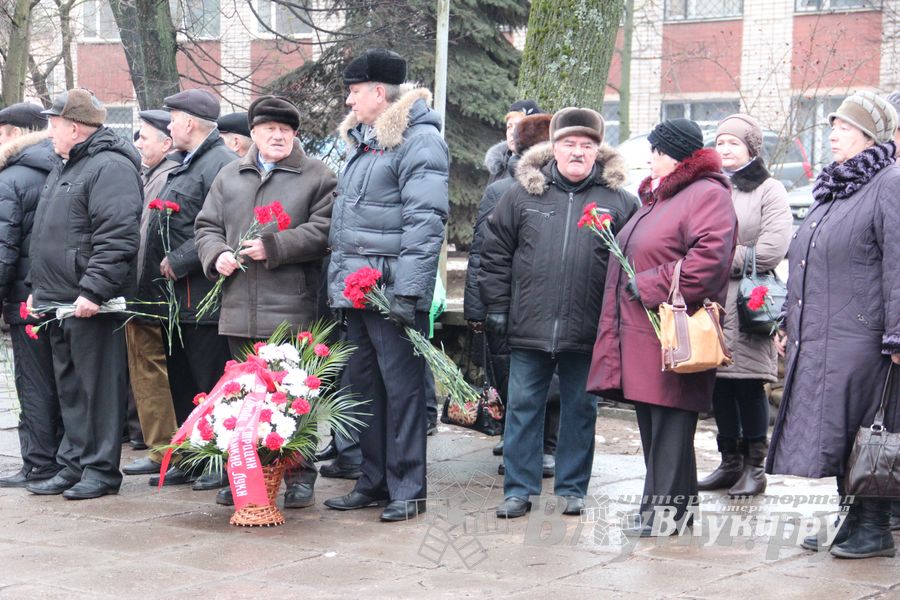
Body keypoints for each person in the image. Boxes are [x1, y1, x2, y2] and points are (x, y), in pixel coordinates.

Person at [480, 108, 639, 519]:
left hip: (588, 327)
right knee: (522, 408)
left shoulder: (619, 201)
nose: (577, 153)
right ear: (554, 148)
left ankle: (572, 488)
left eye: (587, 146)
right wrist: (496, 306)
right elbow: (495, 253)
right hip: (529, 322)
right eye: (569, 144)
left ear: (597, 152)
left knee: (581, 410)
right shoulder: (521, 194)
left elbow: (633, 263)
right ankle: (518, 488)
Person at [588, 118, 738, 536]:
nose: (650, 157)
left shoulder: (706, 194)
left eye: (656, 150)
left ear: (674, 154)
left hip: (673, 331)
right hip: (647, 333)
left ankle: (662, 516)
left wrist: (650, 284)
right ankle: (678, 510)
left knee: (670, 423)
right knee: (659, 423)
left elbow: (708, 260)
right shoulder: (665, 196)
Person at [767, 91, 900, 559]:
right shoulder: (838, 187)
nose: (833, 133)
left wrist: (898, 332)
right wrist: (787, 319)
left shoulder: (890, 182)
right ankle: (853, 517)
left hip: (866, 337)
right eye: (833, 126)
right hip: (826, 333)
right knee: (842, 433)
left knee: (872, 433)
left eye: (844, 126)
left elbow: (899, 262)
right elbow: (806, 261)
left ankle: (875, 527)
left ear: (869, 135)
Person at [323, 48, 449, 522]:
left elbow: (425, 220)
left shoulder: (418, 141)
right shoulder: (367, 141)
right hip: (358, 292)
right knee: (365, 390)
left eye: (355, 92)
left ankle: (407, 489)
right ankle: (373, 481)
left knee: (403, 393)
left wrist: (408, 293)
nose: (350, 102)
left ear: (379, 92)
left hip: (392, 291)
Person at [195, 96, 336, 509]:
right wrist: (215, 253)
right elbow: (206, 226)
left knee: (293, 396)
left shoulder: (317, 176)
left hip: (291, 307)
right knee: (241, 396)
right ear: (252, 134)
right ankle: (246, 473)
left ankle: (298, 475)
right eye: (270, 129)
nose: (278, 136)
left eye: (286, 131)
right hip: (238, 305)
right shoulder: (229, 174)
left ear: (295, 135)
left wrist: (273, 246)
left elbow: (326, 231)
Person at [24, 89, 143, 500]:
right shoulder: (67, 166)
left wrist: (94, 290)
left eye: (53, 126)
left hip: (89, 302)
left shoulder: (109, 166)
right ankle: (74, 464)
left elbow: (117, 236)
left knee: (99, 390)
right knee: (72, 389)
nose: (49, 134)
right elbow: (46, 236)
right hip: (59, 300)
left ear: (74, 127)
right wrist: (37, 291)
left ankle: (101, 470)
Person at [136, 89, 238, 489]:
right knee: (181, 381)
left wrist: (179, 260)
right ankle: (192, 456)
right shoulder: (187, 163)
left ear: (190, 123)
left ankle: (217, 461)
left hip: (202, 297)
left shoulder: (220, 164)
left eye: (173, 118)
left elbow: (221, 226)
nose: (170, 125)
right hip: (173, 300)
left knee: (208, 382)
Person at [697, 114, 792, 497]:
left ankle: (755, 466)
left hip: (750, 301)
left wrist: (717, 257)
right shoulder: (711, 186)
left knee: (749, 384)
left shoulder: (769, 190)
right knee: (718, 384)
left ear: (751, 148)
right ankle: (729, 462)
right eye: (719, 143)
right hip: (713, 300)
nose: (725, 150)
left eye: (733, 143)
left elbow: (771, 248)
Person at [465, 112, 560, 476]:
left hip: (523, 302)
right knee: (517, 378)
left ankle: (540, 446)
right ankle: (530, 445)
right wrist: (478, 308)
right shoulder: (501, 189)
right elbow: (483, 252)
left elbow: (479, 254)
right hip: (509, 301)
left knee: (534, 380)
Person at [0, 103, 64, 488]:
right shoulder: (63, 168)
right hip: (63, 296)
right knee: (62, 381)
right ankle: (61, 456)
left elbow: (4, 248)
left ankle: (39, 463)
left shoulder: (12, 178)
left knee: (34, 382)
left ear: (15, 133)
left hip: (25, 300)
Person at [121, 109, 181, 477]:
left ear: (167, 142)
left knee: (151, 369)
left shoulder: (166, 176)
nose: (138, 142)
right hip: (146, 289)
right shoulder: (151, 174)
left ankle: (165, 450)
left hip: (154, 291)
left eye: (144, 136)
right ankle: (162, 446)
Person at [483, 99, 542, 185]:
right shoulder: (499, 167)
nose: (512, 132)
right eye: (509, 127)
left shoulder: (546, 168)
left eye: (519, 126)